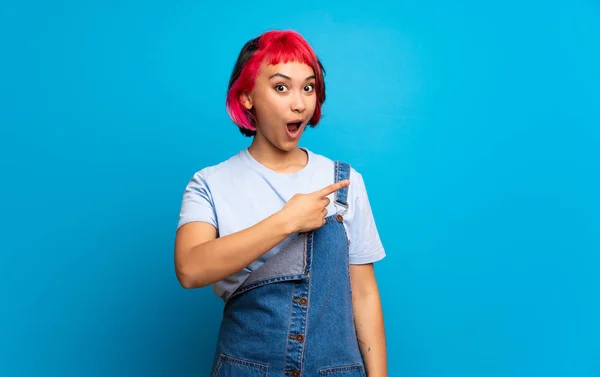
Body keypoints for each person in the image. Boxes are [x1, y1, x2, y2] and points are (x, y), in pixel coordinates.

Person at [174, 29, 388, 377]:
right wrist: (286, 220)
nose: (300, 103)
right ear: (246, 97)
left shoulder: (346, 182)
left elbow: (363, 295)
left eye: (308, 87)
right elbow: (190, 269)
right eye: (281, 87)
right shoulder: (210, 183)